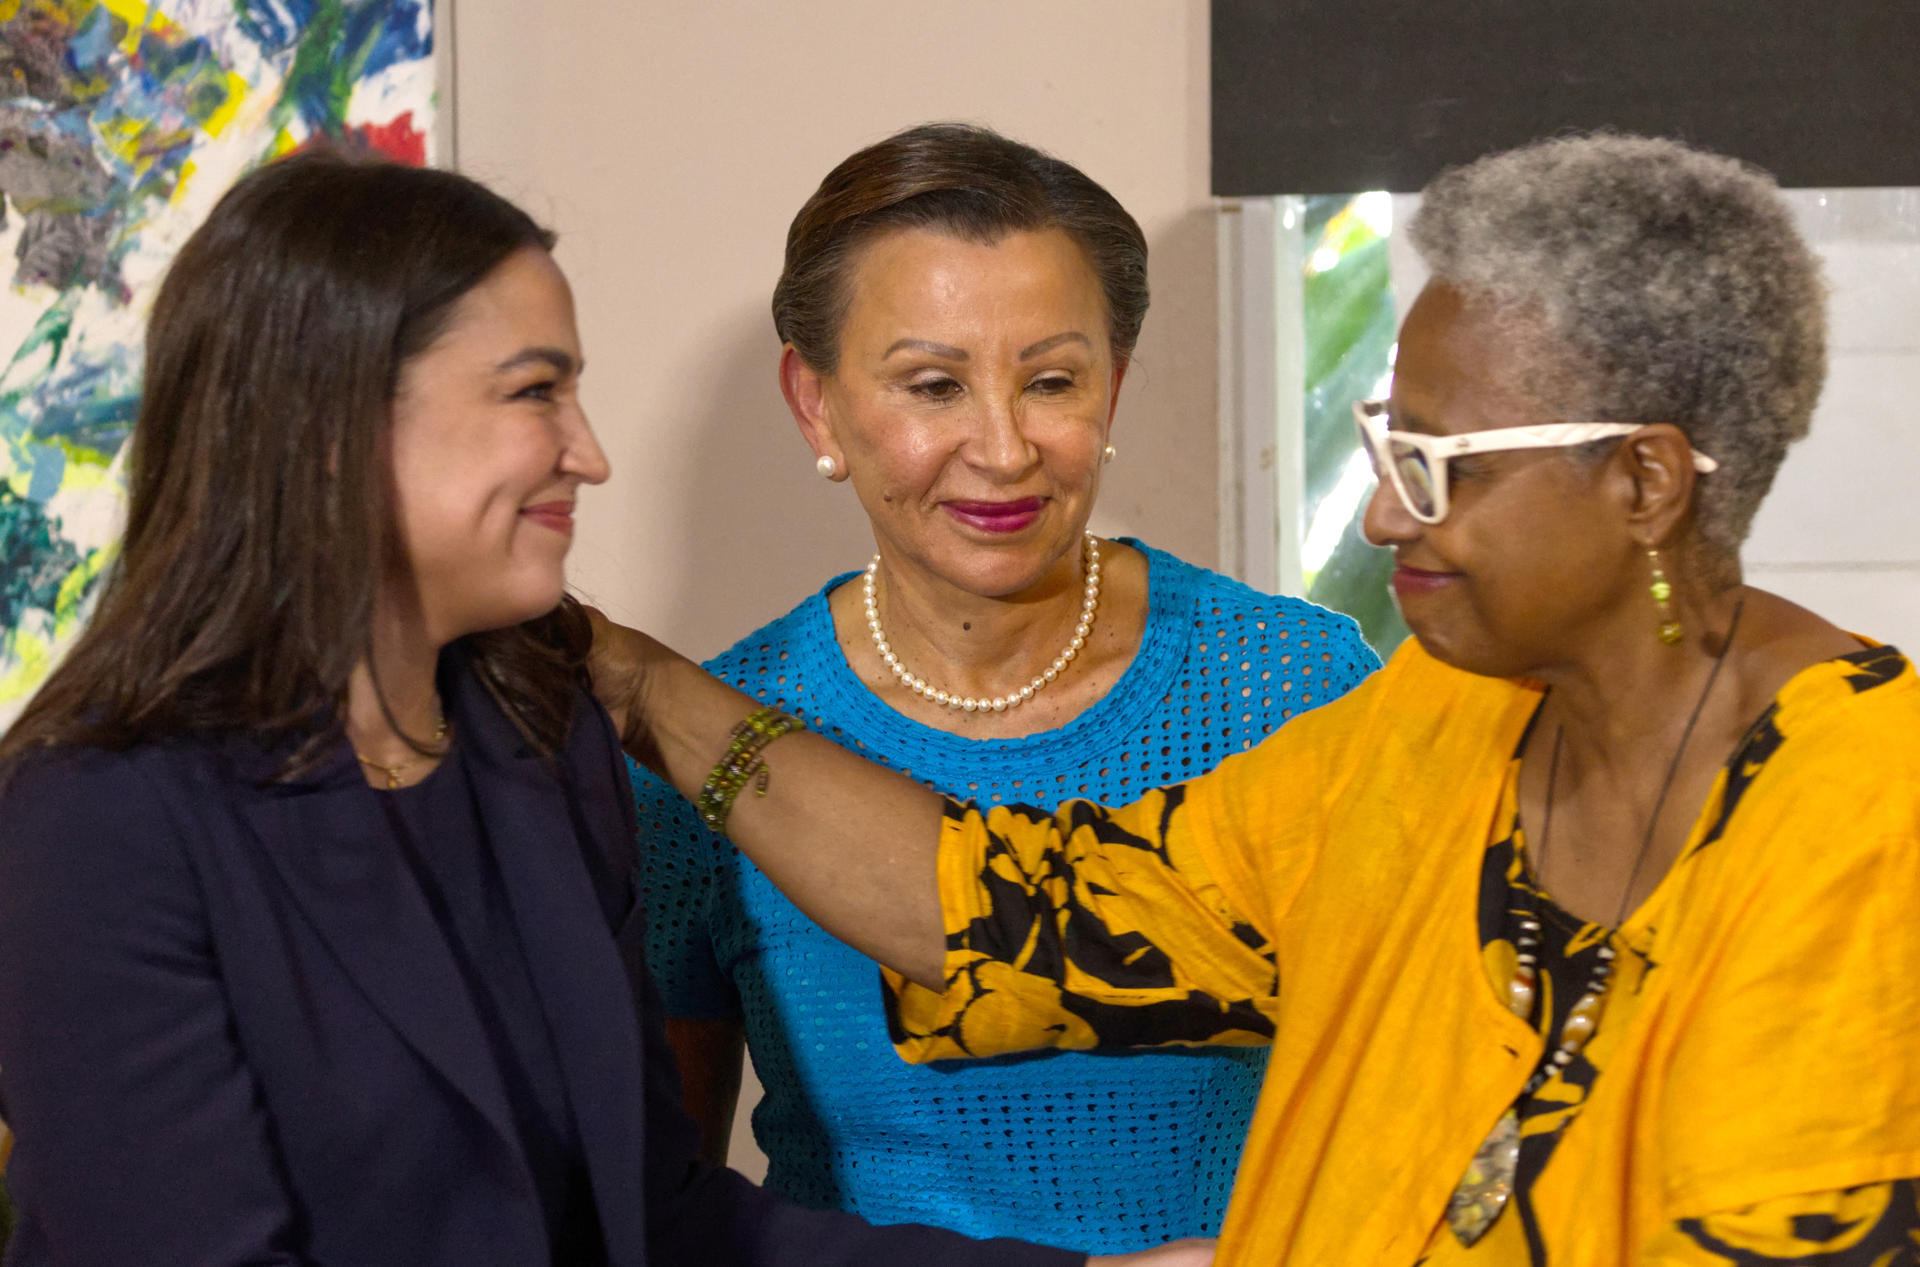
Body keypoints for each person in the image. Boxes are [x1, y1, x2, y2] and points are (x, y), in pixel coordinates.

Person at [596, 133, 1920, 1265]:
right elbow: (1021, 913)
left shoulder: (1866, 808)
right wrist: (643, 680)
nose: (1391, 512)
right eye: (1384, 447)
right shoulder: (1427, 723)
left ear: (1644, 481)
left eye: (1437, 464)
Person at [0, 152, 1206, 1267]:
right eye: (537, 394)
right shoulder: (97, 824)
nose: (588, 453)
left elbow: (660, 1228)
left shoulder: (536, 744)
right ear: (330, 427)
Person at [628, 121, 1376, 1249]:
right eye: (932, 384)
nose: (1003, 446)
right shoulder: (700, 747)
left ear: (1113, 388)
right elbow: (661, 1217)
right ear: (817, 405)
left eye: (1052, 381)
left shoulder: (1301, 688)